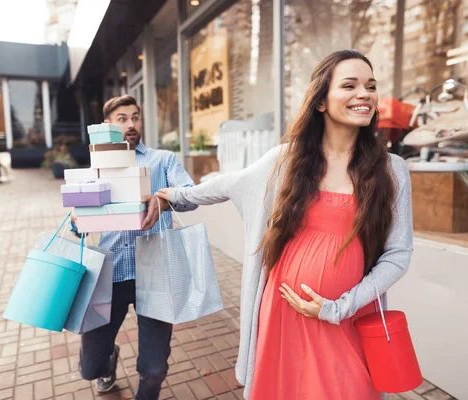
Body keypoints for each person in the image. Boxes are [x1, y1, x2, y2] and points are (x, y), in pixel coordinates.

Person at [156, 50, 413, 399]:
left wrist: (340, 307)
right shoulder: (287, 160)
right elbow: (228, 184)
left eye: (370, 86)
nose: (364, 94)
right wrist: (170, 196)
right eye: (349, 85)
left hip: (348, 317)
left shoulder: (391, 169)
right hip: (284, 313)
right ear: (321, 100)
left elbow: (398, 255)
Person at [72, 95, 197, 398]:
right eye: (122, 118)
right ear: (107, 125)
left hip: (154, 272)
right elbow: (80, 222)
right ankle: (109, 358)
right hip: (109, 274)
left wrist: (163, 199)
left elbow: (192, 195)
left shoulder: (162, 160)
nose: (131, 124)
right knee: (89, 367)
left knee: (154, 369)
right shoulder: (97, 168)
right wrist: (78, 218)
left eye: (135, 117)